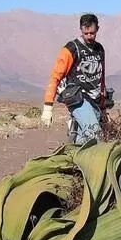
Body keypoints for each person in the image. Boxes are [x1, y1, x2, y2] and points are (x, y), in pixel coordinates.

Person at [41, 13, 106, 143]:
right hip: (77, 97)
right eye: (85, 33)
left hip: (95, 98)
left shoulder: (99, 49)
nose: (89, 36)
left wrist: (103, 106)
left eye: (92, 33)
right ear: (81, 29)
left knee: (83, 141)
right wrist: (48, 107)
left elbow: (101, 77)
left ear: (97, 29)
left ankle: (75, 159)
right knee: (94, 134)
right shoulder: (71, 49)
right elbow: (55, 76)